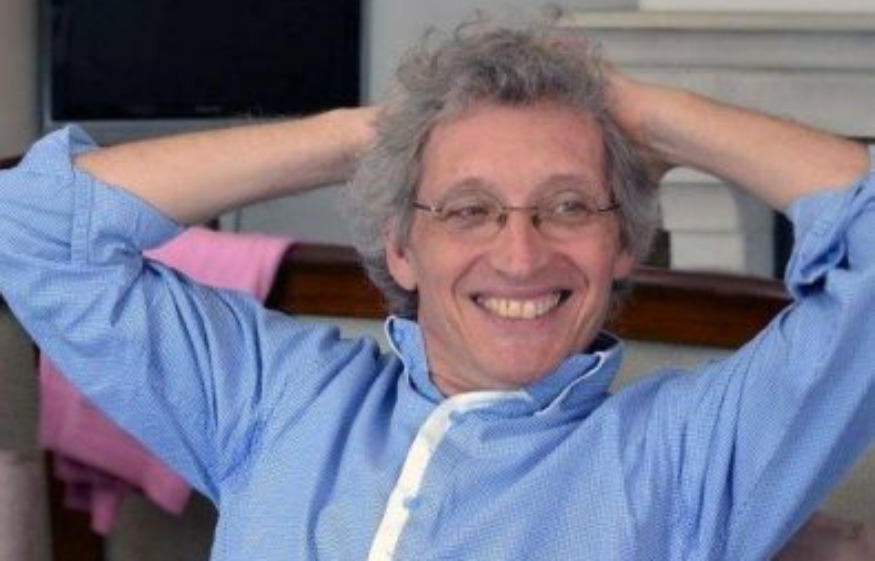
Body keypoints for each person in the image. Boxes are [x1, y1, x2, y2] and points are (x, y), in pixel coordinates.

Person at [0, 24, 872, 561]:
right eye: (467, 208)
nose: (519, 255)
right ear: (401, 246)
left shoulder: (689, 459)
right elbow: (30, 227)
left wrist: (650, 116)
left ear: (623, 246)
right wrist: (359, 136)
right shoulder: (275, 397)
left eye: (569, 206)